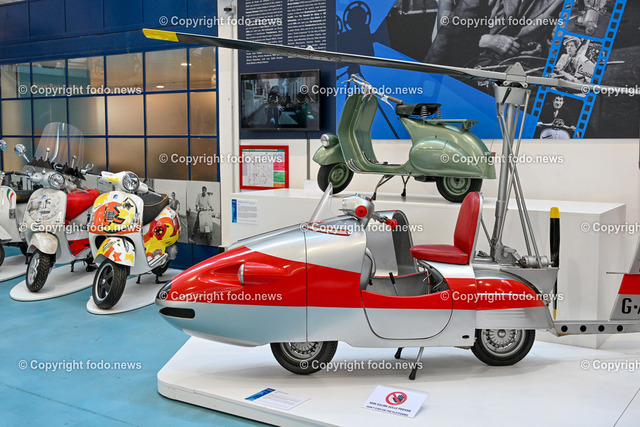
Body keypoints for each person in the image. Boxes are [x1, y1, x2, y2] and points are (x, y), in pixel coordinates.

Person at [425, 0, 564, 67]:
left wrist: (542, 51)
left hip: (526, 70)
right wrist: (487, 41)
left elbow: (560, 43)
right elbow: (446, 38)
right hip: (474, 64)